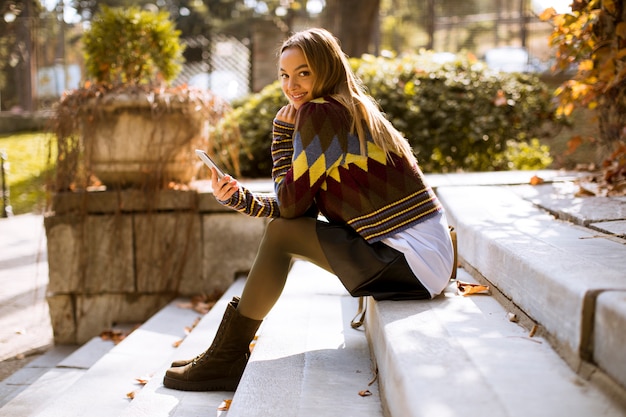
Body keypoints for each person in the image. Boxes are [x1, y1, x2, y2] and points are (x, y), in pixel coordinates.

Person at [163, 27, 455, 392]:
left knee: (281, 234)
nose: (292, 85)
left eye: (304, 72)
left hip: (411, 261)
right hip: (423, 260)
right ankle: (224, 354)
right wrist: (237, 197)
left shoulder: (321, 113)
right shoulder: (344, 108)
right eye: (285, 75)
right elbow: (299, 209)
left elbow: (290, 209)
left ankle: (224, 357)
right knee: (283, 233)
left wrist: (282, 138)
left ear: (327, 70)